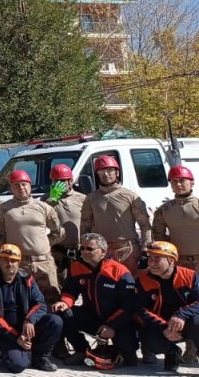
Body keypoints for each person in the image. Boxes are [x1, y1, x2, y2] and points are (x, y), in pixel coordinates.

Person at [50, 232, 137, 366]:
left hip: (118, 321)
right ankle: (82, 350)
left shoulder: (119, 271)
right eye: (82, 248)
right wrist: (64, 302)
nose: (84, 252)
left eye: (89, 249)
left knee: (129, 358)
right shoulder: (77, 266)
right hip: (93, 317)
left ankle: (116, 350)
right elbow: (70, 292)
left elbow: (129, 306)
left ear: (103, 251)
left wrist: (111, 326)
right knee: (64, 313)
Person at [0, 244, 61, 373]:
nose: (9, 263)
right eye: (5, 259)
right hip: (6, 334)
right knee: (17, 366)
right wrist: (16, 338)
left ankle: (40, 358)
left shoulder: (27, 279)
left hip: (27, 328)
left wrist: (29, 321)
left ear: (19, 262)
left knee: (55, 321)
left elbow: (40, 304)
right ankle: (8, 352)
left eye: (13, 260)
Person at [0, 170, 63, 302]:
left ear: (29, 185)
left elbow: (58, 231)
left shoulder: (44, 207)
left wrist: (44, 244)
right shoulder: (2, 210)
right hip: (19, 264)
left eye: (24, 184)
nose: (21, 188)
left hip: (44, 263)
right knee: (23, 300)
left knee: (52, 300)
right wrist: (9, 249)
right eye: (16, 185)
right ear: (11, 187)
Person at [152, 166, 199, 363]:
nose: (179, 184)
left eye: (182, 180)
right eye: (174, 181)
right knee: (185, 302)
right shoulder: (165, 210)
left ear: (192, 183)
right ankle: (189, 346)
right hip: (178, 263)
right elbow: (159, 237)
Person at [136, 241, 199, 372]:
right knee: (149, 340)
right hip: (161, 326)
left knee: (197, 321)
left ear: (171, 260)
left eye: (157, 259)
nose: (151, 263)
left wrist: (181, 314)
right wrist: (165, 327)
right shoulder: (143, 279)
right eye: (150, 258)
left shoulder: (189, 276)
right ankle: (172, 353)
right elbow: (141, 309)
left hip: (185, 322)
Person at [80, 154, 152, 265]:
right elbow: (85, 226)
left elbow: (145, 225)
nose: (106, 174)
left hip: (128, 250)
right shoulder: (91, 198)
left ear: (117, 172)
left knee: (129, 281)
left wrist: (145, 250)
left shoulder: (130, 196)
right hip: (102, 252)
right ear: (97, 173)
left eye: (110, 170)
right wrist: (84, 248)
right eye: (101, 170)